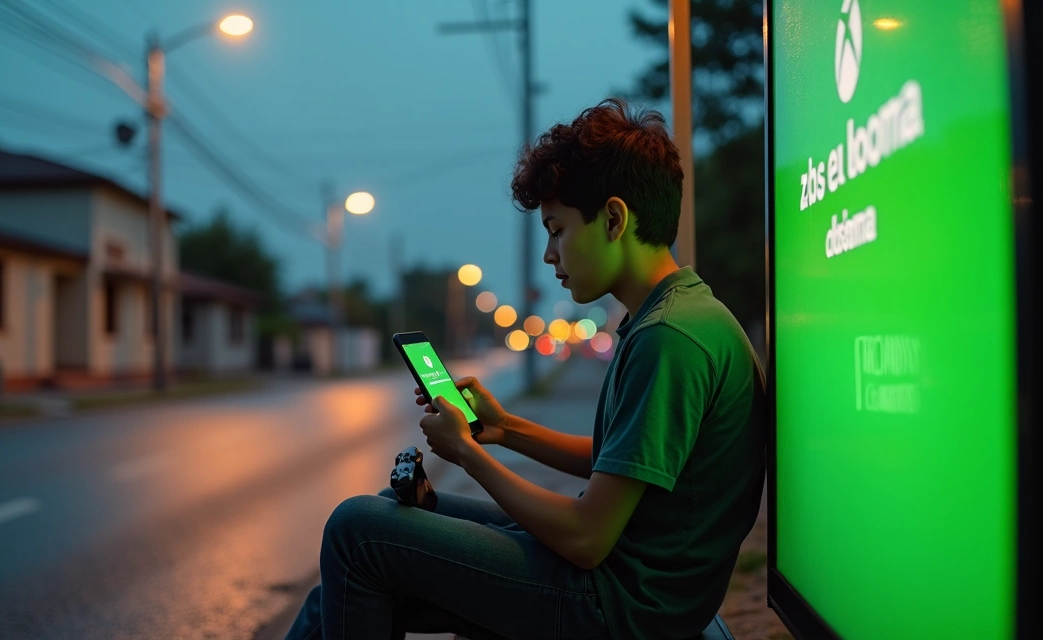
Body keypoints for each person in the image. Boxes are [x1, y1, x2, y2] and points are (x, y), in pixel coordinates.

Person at [283, 98, 766, 640]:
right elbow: (624, 464)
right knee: (376, 536)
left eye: (557, 230)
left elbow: (586, 538)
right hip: (625, 584)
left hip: (622, 608)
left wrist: (466, 453)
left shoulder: (669, 340)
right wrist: (505, 429)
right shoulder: (675, 316)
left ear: (613, 219)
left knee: (358, 531)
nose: (549, 254)